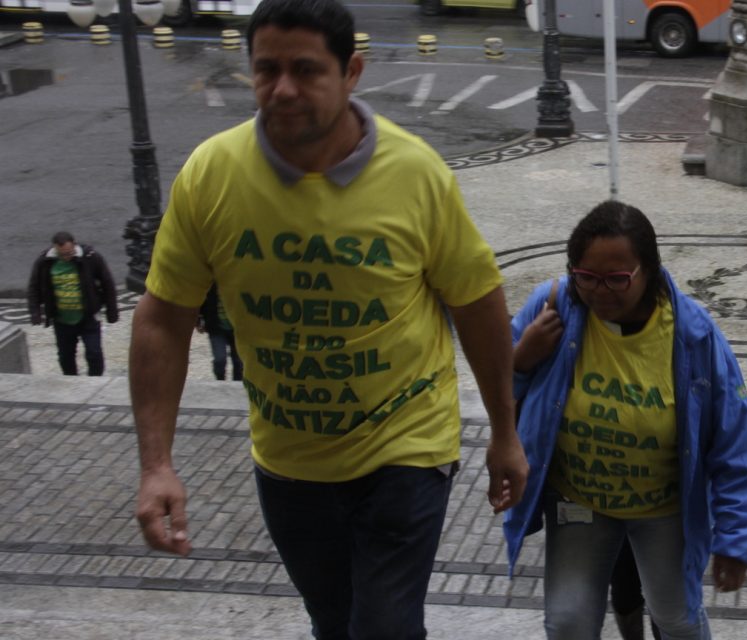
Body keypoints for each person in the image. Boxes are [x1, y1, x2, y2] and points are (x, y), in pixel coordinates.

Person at [128, 0, 528, 637]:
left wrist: (505, 432)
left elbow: (476, 302)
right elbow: (162, 319)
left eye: (306, 70)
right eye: (266, 70)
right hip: (290, 460)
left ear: (352, 73)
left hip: (407, 447)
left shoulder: (417, 175)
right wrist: (156, 465)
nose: (282, 89)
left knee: (384, 627)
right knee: (334, 622)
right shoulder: (211, 175)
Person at [503, 201, 747, 640]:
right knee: (567, 622)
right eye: (585, 277)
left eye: (617, 279)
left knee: (676, 618)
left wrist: (738, 539)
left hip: (662, 510)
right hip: (579, 502)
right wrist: (520, 361)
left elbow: (735, 441)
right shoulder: (551, 309)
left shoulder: (694, 335)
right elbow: (499, 388)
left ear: (649, 270)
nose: (599, 291)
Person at [27, 231, 119, 376]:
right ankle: (72, 380)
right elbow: (34, 287)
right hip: (62, 320)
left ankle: (94, 381)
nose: (66, 257)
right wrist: (35, 312)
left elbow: (107, 283)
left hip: (88, 316)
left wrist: (112, 311)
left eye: (69, 253)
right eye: (62, 254)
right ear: (55, 248)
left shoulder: (90, 257)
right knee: (65, 356)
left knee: (94, 353)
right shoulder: (44, 262)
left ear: (74, 245)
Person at [197, 285, 243, 381]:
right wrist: (199, 321)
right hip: (216, 328)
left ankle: (237, 385)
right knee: (220, 360)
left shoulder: (239, 284)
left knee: (238, 361)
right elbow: (200, 302)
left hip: (237, 329)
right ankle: (220, 381)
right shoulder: (210, 286)